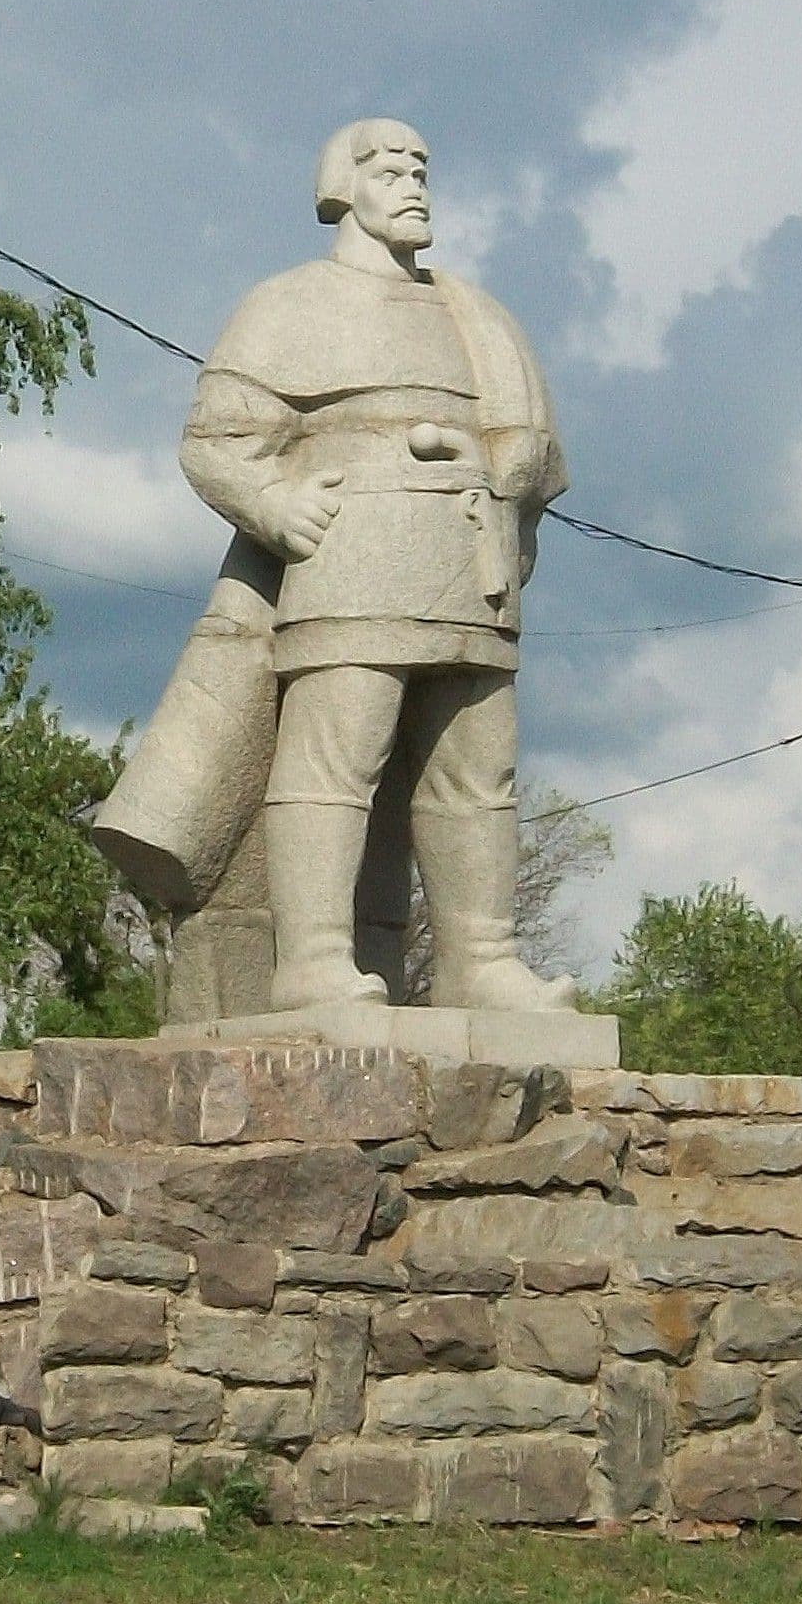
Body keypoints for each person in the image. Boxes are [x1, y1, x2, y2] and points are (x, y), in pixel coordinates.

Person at [167, 118, 573, 1012]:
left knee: (479, 770)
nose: (414, 182)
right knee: (333, 758)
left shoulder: (478, 316)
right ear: (342, 184)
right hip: (351, 558)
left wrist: (510, 477)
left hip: (471, 562)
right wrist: (275, 505)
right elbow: (216, 442)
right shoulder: (286, 305)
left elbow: (537, 451)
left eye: (423, 167)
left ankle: (482, 961)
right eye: (391, 168)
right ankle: (311, 961)